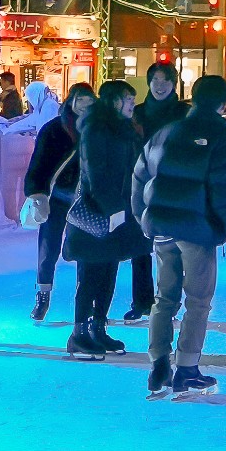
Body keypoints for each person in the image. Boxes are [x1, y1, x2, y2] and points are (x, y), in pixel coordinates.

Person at [132, 73, 226, 396]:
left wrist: (144, 216)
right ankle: (186, 368)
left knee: (164, 297)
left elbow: (140, 174)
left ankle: (158, 364)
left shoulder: (169, 130)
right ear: (225, 102)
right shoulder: (223, 134)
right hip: (197, 230)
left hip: (162, 227)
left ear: (192, 97)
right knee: (197, 301)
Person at [64, 80, 149, 358]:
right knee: (91, 274)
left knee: (109, 271)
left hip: (120, 212)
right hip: (97, 214)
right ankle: (79, 334)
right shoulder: (96, 129)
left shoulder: (126, 129)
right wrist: (113, 208)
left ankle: (98, 328)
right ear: (113, 101)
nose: (131, 105)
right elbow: (95, 172)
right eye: (127, 99)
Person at [26, 82, 94, 321]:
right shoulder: (53, 129)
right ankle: (43, 295)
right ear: (70, 101)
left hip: (85, 200)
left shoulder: (96, 129)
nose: (84, 106)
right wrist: (37, 194)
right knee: (48, 248)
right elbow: (39, 164)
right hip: (56, 197)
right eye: (80, 100)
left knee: (85, 249)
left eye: (89, 101)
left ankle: (87, 300)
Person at [125, 61, 187, 322]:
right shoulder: (137, 114)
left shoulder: (183, 112)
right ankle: (141, 301)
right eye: (155, 81)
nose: (160, 86)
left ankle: (169, 300)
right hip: (141, 183)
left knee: (172, 247)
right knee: (140, 245)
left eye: (166, 80)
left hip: (174, 186)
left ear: (174, 83)